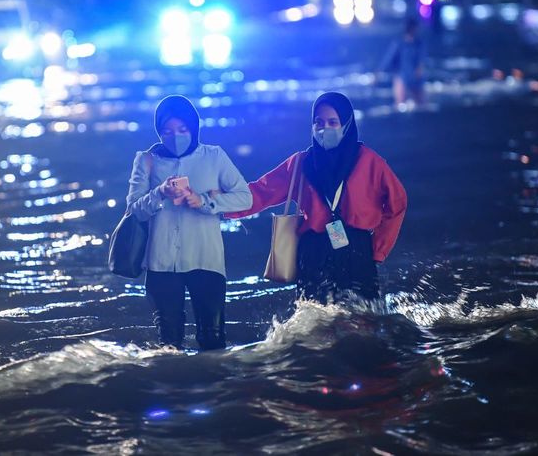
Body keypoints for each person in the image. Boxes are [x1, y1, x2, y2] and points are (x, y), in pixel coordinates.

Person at [226, 92, 407, 304]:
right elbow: (260, 193)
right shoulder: (299, 164)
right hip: (314, 252)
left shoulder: (369, 162)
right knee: (317, 324)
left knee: (364, 322)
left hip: (357, 251)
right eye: (318, 122)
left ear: (346, 125)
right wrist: (217, 204)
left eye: (333, 122)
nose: (324, 129)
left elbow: (397, 203)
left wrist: (378, 250)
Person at [125, 95, 252, 350]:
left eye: (182, 129)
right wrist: (160, 192)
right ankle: (175, 388)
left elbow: (245, 198)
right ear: (159, 132)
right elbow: (133, 210)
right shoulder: (147, 160)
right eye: (167, 131)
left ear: (193, 128)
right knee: (169, 345)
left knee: (213, 339)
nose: (176, 136)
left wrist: (204, 202)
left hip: (206, 260)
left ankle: (216, 387)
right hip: (161, 263)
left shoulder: (214, 156)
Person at [382, 18, 426, 109]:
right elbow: (388, 60)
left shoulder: (419, 44)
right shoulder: (399, 44)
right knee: (400, 104)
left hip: (414, 78)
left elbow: (421, 62)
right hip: (402, 77)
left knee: (421, 105)